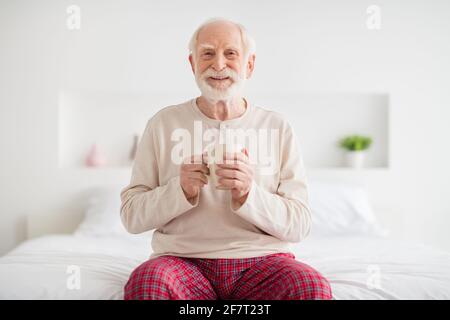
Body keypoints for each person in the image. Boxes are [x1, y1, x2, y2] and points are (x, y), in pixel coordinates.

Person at [120, 18, 332, 300]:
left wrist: (248, 193)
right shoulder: (162, 124)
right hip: (183, 261)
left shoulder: (277, 127)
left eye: (230, 53)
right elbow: (132, 217)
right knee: (148, 282)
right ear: (192, 64)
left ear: (249, 65)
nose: (218, 65)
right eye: (207, 53)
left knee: (310, 286)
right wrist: (180, 190)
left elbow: (300, 224)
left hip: (263, 263)